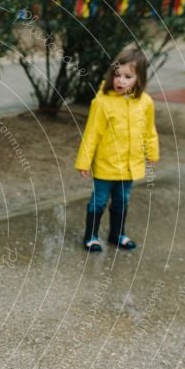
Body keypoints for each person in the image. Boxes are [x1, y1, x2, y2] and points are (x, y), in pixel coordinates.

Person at [75, 44, 159, 252]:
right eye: (117, 75)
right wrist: (84, 161)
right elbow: (92, 134)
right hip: (106, 164)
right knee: (100, 200)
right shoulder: (102, 103)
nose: (121, 81)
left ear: (139, 78)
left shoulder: (145, 103)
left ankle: (117, 234)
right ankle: (91, 236)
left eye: (128, 77)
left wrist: (152, 152)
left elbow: (149, 130)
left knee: (122, 200)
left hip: (130, 166)